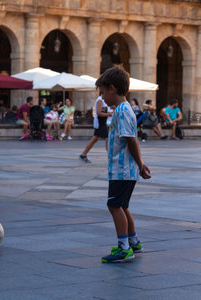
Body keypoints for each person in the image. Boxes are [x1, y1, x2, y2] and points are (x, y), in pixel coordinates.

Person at [95, 66, 151, 263]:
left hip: (122, 169)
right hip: (124, 169)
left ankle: (124, 248)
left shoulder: (121, 110)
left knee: (114, 205)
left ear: (111, 88)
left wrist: (140, 163)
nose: (102, 98)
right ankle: (133, 241)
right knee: (123, 205)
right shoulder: (122, 109)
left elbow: (131, 140)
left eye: (102, 93)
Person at [79, 93, 113, 163]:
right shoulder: (100, 100)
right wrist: (109, 114)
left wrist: (109, 111)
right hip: (100, 123)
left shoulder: (103, 100)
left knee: (95, 139)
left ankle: (83, 154)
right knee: (108, 138)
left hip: (103, 123)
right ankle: (111, 157)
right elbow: (98, 112)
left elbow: (103, 110)